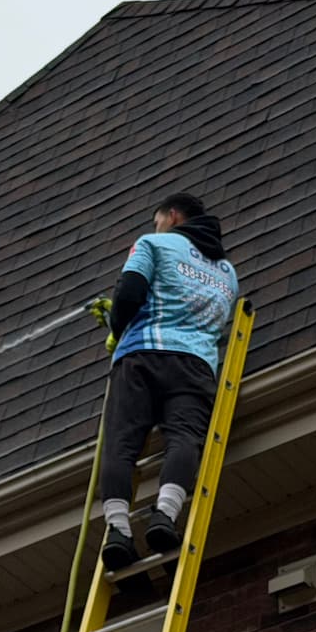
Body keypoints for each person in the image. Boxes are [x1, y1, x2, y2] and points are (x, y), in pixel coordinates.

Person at [93, 193, 239, 569]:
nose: (156, 225)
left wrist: (116, 327)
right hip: (195, 364)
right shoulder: (227, 272)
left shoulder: (152, 243)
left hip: (142, 355)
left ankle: (118, 531)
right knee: (184, 437)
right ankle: (165, 515)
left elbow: (129, 293)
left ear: (172, 216)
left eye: (159, 219)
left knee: (122, 444)